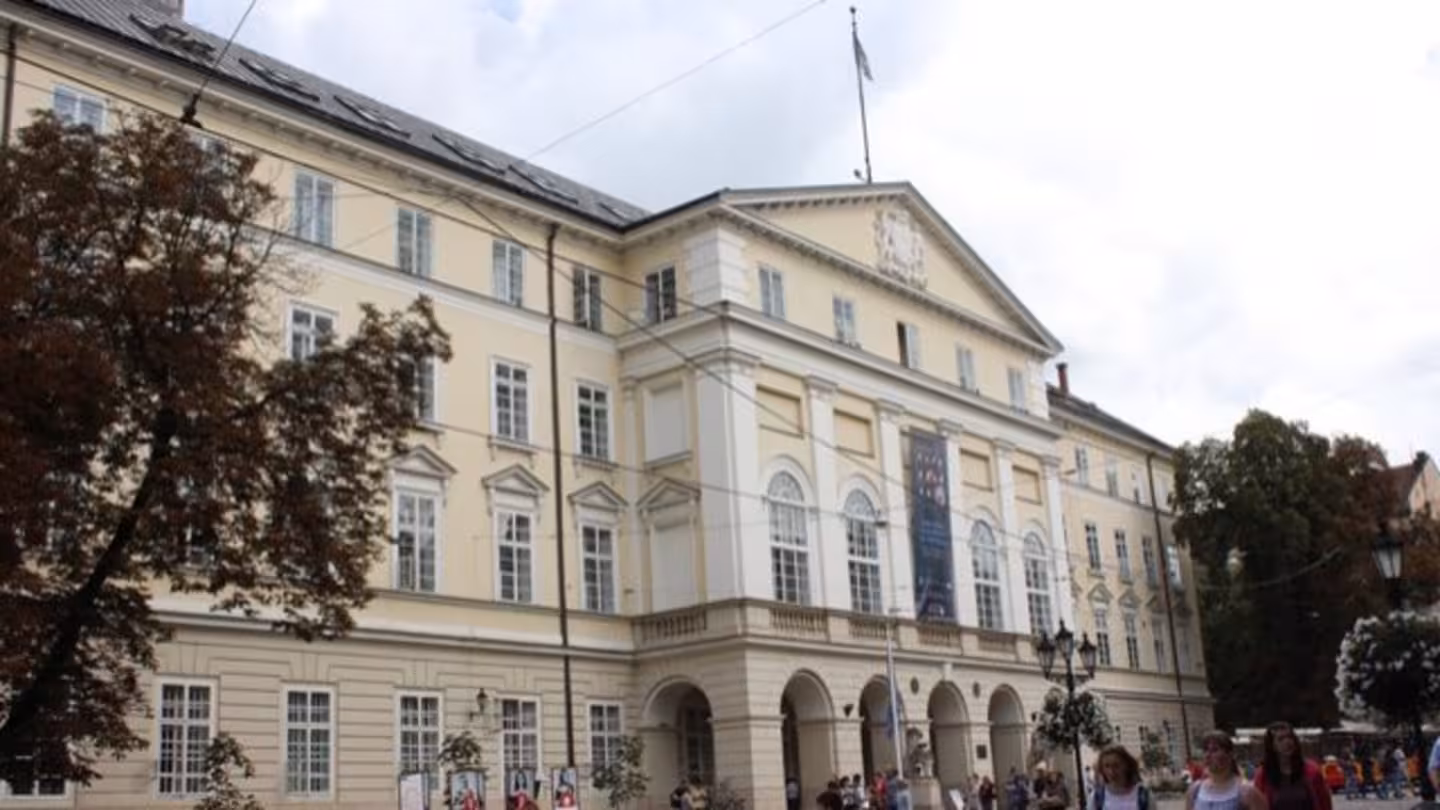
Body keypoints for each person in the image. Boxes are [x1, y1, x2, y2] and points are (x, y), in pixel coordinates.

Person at [1252, 721, 1332, 810]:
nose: (1287, 742)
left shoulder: (1312, 771)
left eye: (1290, 737)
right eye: (1281, 739)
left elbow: (1325, 804)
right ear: (1272, 745)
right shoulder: (1263, 775)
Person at [1186, 731, 1268, 810]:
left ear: (1230, 755)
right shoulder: (1195, 790)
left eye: (1214, 750)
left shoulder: (1246, 792)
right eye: (1205, 750)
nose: (1207, 755)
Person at [1092, 744, 1153, 810]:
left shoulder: (1143, 796)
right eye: (1107, 766)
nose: (1111, 771)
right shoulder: (1097, 797)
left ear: (1126, 766)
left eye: (1116, 766)